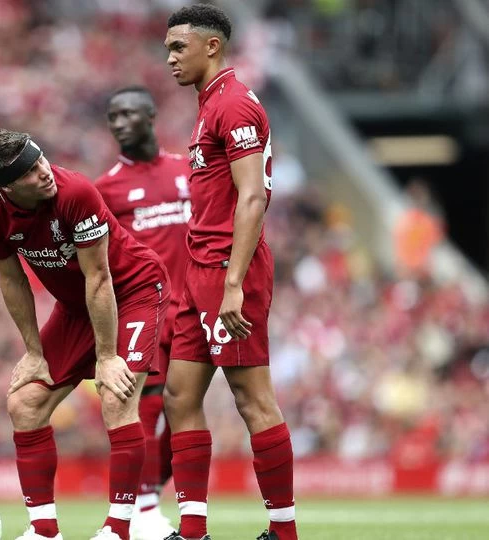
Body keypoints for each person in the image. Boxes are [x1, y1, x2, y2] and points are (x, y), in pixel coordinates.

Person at [0, 129, 170, 540]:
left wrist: (107, 356)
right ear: (7, 187)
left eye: (41, 159)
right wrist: (33, 352)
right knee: (24, 404)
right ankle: (44, 531)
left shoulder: (75, 191)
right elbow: (12, 280)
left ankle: (118, 529)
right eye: (30, 171)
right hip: (77, 307)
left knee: (116, 397)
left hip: (131, 291)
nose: (44, 172)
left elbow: (99, 278)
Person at [163, 5, 297, 540]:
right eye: (168, 48)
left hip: (227, 270)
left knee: (252, 398)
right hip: (199, 270)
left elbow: (252, 197)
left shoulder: (234, 105)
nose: (170, 58)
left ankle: (284, 532)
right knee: (179, 395)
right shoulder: (210, 105)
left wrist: (235, 283)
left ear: (211, 46)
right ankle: (193, 530)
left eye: (179, 47)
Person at [94, 85, 192, 540]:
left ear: (150, 116)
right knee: (146, 405)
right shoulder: (106, 188)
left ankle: (149, 492)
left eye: (127, 114)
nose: (118, 124)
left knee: (185, 411)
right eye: (112, 117)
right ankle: (145, 508)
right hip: (147, 312)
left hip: (194, 310)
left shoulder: (187, 170)